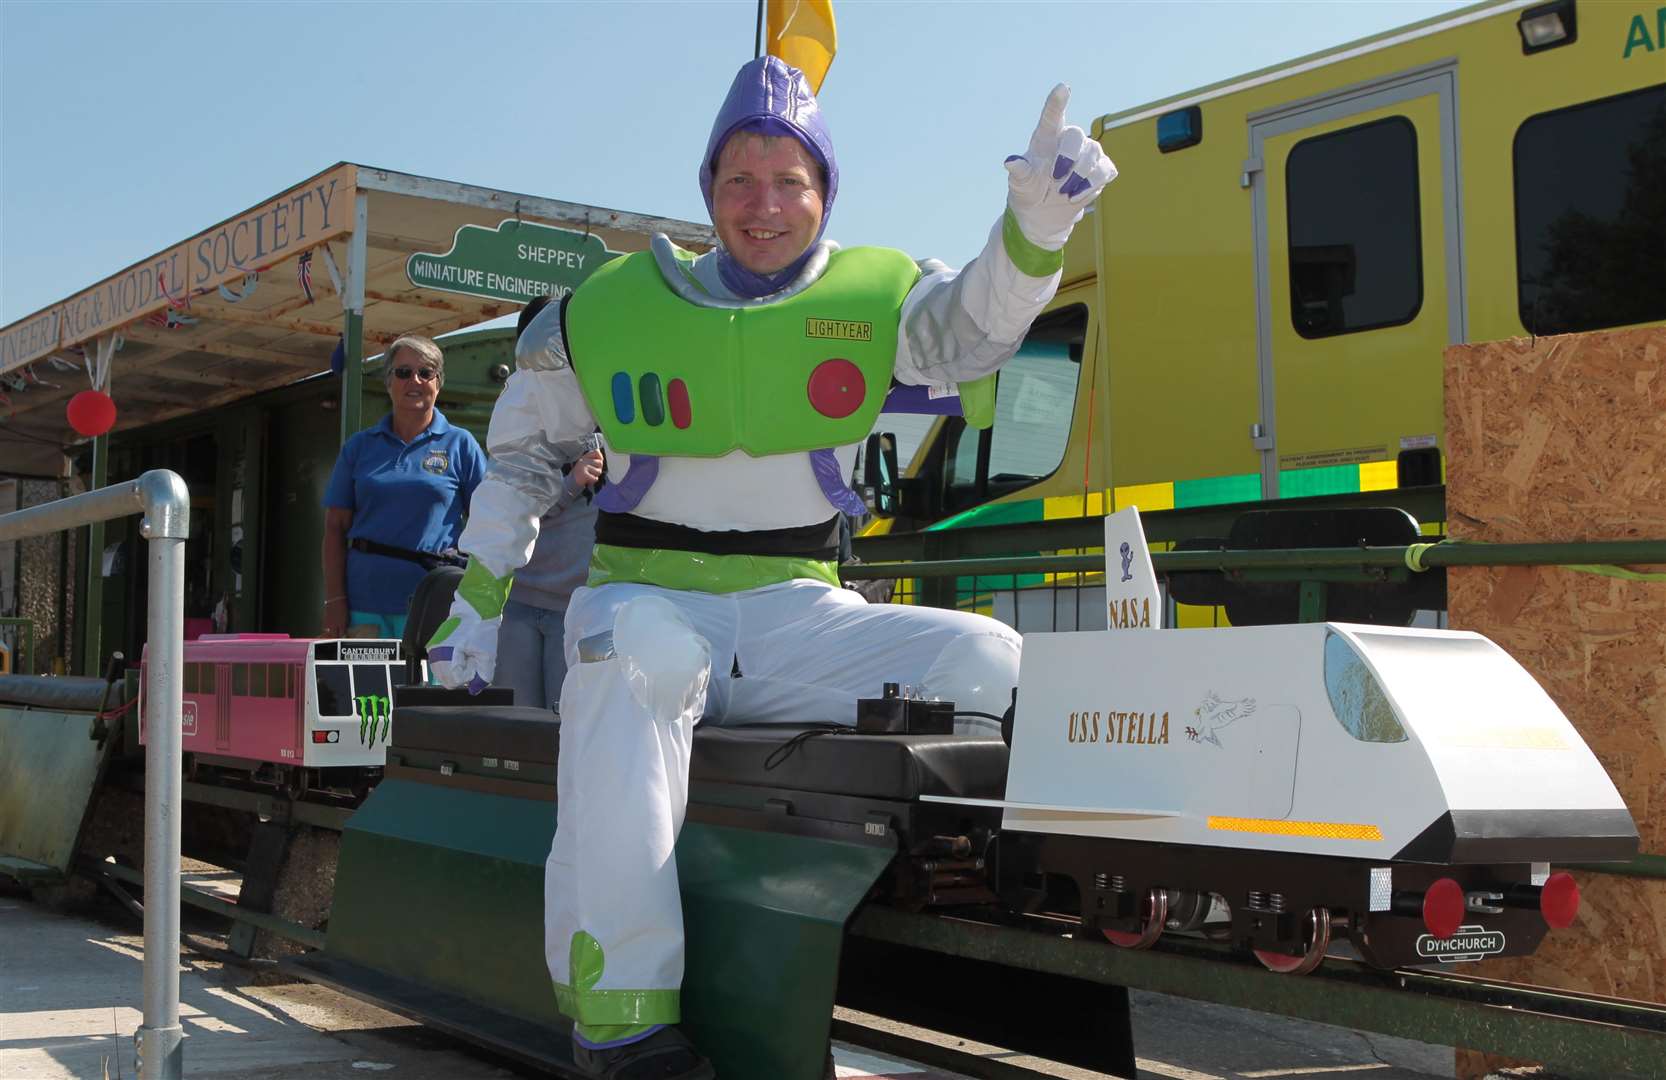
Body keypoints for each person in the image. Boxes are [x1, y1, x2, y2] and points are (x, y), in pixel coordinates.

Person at [429, 57, 1115, 1078]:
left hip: (797, 607)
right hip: (648, 595)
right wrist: (477, 597)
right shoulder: (606, 308)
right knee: (638, 669)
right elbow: (527, 455)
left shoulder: (882, 294)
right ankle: (621, 1023)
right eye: (740, 180)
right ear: (708, 192)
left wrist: (1034, 234)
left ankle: (1002, 914)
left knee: (990, 660)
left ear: (823, 193)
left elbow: (972, 332)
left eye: (789, 179)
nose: (764, 204)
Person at [321, 334, 487, 639]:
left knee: (427, 688)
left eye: (426, 373)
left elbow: (488, 525)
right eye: (403, 372)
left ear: (438, 384)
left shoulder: (461, 444)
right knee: (368, 688)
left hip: (435, 603)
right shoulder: (359, 447)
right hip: (365, 605)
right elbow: (334, 528)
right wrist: (334, 600)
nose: (415, 380)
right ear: (388, 382)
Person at [493, 297, 606, 708]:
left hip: (576, 606)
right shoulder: (517, 418)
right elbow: (512, 507)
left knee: (565, 730)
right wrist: (571, 484)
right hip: (518, 600)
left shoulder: (608, 409)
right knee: (517, 732)